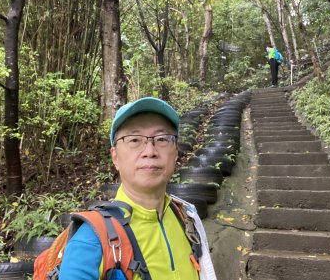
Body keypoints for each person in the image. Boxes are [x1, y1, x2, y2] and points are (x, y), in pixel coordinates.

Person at [59, 97, 216, 280]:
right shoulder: (91, 241)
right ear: (115, 156)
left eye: (162, 139)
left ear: (175, 153)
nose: (150, 151)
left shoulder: (186, 219)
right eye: (134, 140)